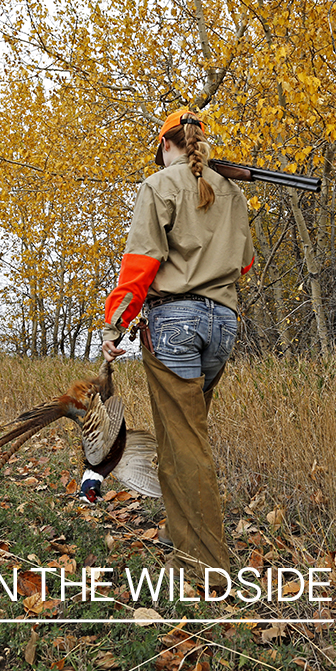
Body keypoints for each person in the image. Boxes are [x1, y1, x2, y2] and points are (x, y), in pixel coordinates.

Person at [101, 108, 254, 582]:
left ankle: (205, 566)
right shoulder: (232, 192)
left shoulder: (159, 185)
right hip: (223, 322)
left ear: (167, 146)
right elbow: (244, 263)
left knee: (186, 442)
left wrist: (115, 323)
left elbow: (142, 262)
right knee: (176, 433)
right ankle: (178, 530)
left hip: (175, 322)